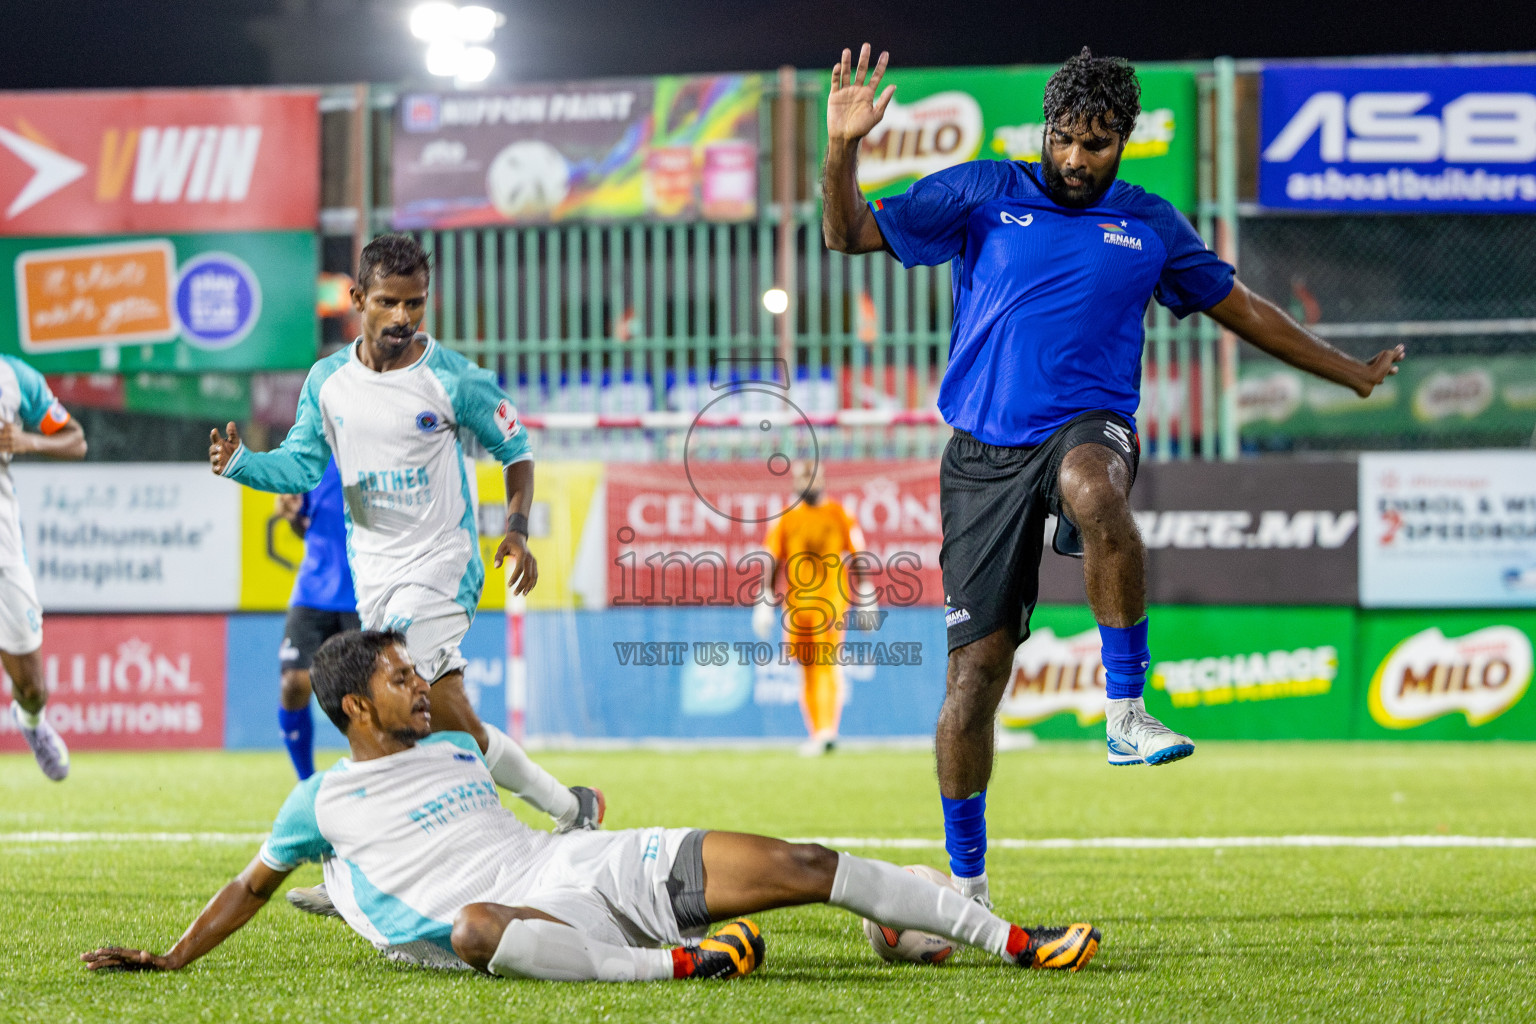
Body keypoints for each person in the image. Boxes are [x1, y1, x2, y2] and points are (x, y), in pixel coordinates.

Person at [822, 44, 1404, 906]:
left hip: (1087, 425)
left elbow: (1243, 310)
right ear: (1045, 131)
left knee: (1095, 487)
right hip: (982, 458)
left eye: (1096, 144)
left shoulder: (1150, 225)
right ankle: (969, 886)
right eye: (1063, 138)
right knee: (973, 682)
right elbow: (848, 233)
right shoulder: (982, 191)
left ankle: (1126, 712)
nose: (1075, 158)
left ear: (1124, 140)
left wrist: (1348, 370)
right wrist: (841, 151)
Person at [80, 629, 1101, 981]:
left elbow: (514, 761)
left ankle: (1007, 936)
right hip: (516, 923)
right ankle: (673, 967)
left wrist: (572, 803)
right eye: (399, 676)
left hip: (574, 864)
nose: (418, 683)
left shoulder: (449, 738)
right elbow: (249, 886)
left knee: (804, 861)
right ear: (356, 704)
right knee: (479, 926)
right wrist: (171, 956)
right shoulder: (320, 798)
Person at [209, 234, 598, 913]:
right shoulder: (328, 383)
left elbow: (517, 449)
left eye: (414, 304)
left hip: (443, 570)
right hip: (376, 579)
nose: (402, 318)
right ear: (357, 299)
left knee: (397, 709)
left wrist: (516, 528)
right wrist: (243, 464)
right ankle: (572, 807)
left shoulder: (451, 378)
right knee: (448, 725)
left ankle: (370, 862)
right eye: (387, 302)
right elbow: (301, 466)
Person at [0, 356, 87, 781]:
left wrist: (26, 441)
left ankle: (31, 722)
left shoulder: (15, 378)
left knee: (33, 688)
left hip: (4, 551)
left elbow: (75, 440)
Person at [754, 460, 869, 756]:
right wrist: (765, 601)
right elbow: (772, 557)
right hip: (797, 607)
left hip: (830, 604)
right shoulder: (786, 518)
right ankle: (819, 731)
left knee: (826, 665)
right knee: (806, 669)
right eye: (803, 476)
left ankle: (827, 730)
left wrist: (866, 593)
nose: (808, 482)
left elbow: (858, 552)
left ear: (822, 479)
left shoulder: (839, 514)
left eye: (813, 476)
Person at [273, 458, 359, 779]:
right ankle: (306, 784)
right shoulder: (315, 453)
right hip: (313, 589)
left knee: (364, 695)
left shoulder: (373, 446)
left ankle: (370, 781)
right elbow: (303, 522)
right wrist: (293, 512)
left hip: (364, 590)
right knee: (293, 682)